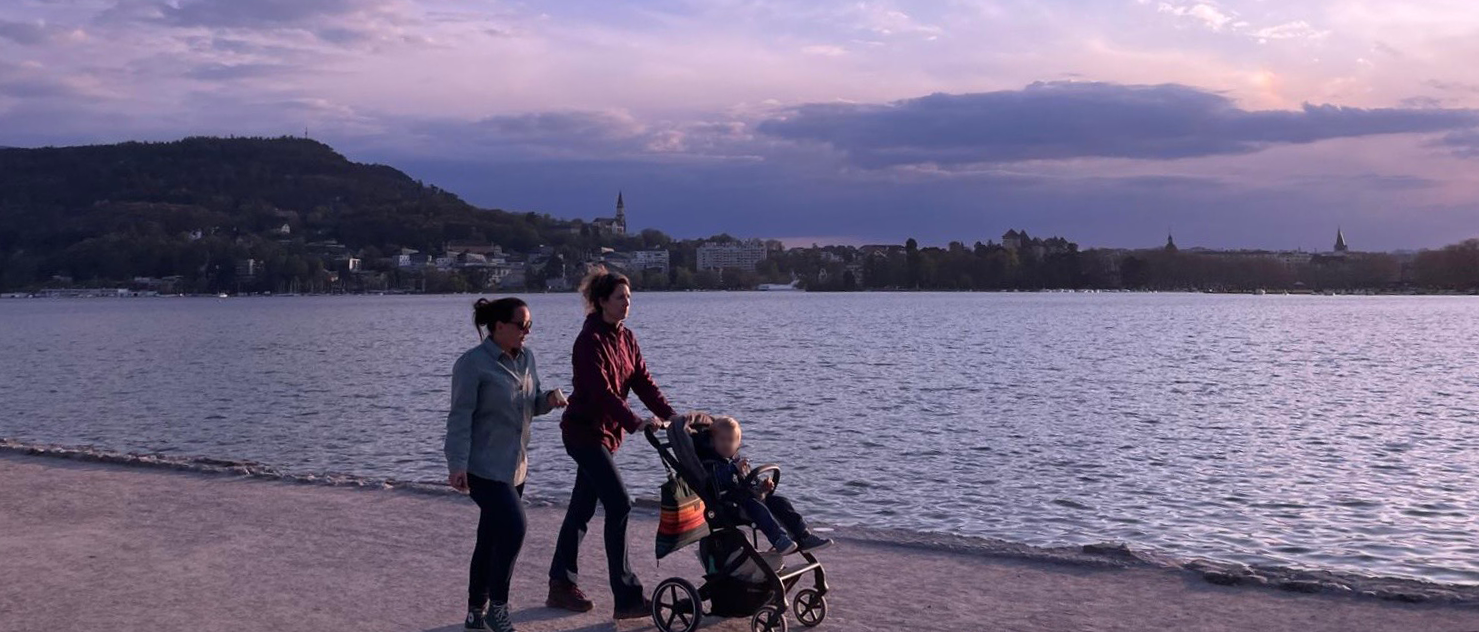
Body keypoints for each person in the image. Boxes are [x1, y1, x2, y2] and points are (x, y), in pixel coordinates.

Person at [547, 267, 675, 620]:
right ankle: (627, 597)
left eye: (630, 298)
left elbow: (643, 382)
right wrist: (635, 422)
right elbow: (602, 393)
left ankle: (560, 583)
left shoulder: (626, 338)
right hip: (583, 434)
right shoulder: (589, 342)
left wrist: (673, 417)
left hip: (606, 437)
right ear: (601, 302)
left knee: (581, 509)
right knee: (619, 503)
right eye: (620, 298)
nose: (627, 304)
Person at [446, 297, 568, 632]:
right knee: (515, 528)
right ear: (499, 326)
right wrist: (456, 464)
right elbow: (459, 418)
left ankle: (474, 610)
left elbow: (532, 403)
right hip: (482, 467)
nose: (528, 332)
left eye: (530, 325)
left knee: (489, 537)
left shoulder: (526, 358)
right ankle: (497, 608)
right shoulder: (472, 364)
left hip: (515, 467)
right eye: (522, 325)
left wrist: (549, 400)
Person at [703, 415, 833, 555]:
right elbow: (716, 479)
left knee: (780, 502)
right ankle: (778, 539)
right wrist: (733, 468)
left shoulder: (739, 462)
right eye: (722, 440)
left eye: (731, 440)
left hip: (748, 496)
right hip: (731, 504)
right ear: (712, 442)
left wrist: (762, 487)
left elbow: (750, 481)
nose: (726, 444)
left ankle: (804, 536)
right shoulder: (713, 464)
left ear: (738, 443)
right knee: (757, 507)